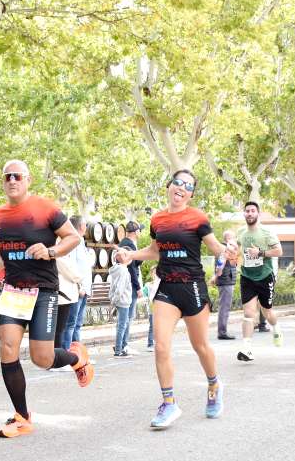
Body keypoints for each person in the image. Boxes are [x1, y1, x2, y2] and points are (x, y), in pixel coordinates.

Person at [116, 169, 227, 429]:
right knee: (161, 346)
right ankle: (169, 403)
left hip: (193, 288)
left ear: (190, 194)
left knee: (201, 347)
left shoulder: (197, 217)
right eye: (177, 182)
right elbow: (155, 251)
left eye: (187, 186)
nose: (181, 188)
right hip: (167, 287)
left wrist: (228, 251)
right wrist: (130, 256)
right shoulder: (158, 220)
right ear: (169, 186)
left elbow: (215, 247)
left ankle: (213, 384)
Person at [0, 160, 91, 439]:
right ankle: (22, 417)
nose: (12, 180)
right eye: (7, 176)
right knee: (7, 350)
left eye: (17, 176)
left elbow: (72, 237)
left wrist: (51, 251)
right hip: (13, 290)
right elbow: (4, 250)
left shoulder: (45, 208)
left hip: (43, 290)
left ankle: (76, 358)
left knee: (42, 358)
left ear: (27, 180)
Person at [235, 202, 283, 358]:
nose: (249, 213)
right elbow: (237, 250)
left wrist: (260, 252)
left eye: (252, 211)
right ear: (244, 214)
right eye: (247, 211)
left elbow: (279, 251)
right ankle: (247, 349)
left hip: (264, 276)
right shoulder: (241, 232)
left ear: (258, 214)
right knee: (248, 313)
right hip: (247, 276)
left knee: (267, 311)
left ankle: (276, 328)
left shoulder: (267, 232)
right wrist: (232, 255)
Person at [60, 216, 94, 350]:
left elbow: (84, 265)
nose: (86, 227)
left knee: (77, 324)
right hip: (77, 289)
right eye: (85, 224)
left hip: (84, 289)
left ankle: (77, 355)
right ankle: (67, 353)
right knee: (71, 323)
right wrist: (79, 286)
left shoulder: (81, 241)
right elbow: (71, 265)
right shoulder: (73, 241)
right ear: (81, 226)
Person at [115, 221, 144, 356]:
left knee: (125, 318)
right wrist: (138, 287)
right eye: (140, 230)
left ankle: (122, 345)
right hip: (130, 286)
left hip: (126, 285)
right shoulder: (129, 245)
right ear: (136, 231)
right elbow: (132, 268)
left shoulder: (124, 243)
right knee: (127, 317)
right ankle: (123, 346)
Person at [214, 229, 239, 340]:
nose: (235, 240)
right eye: (234, 238)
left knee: (225, 305)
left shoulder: (229, 250)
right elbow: (220, 263)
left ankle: (222, 331)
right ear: (229, 239)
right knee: (224, 306)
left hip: (227, 279)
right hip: (225, 280)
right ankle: (222, 332)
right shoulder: (225, 250)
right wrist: (217, 274)